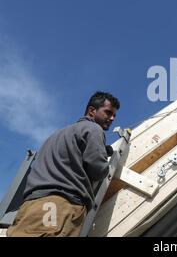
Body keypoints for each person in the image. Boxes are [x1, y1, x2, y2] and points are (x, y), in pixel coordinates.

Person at [7, 91, 120, 237]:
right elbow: (99, 171)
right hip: (59, 204)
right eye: (108, 112)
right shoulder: (93, 129)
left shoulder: (55, 136)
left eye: (114, 115)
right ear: (92, 111)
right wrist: (103, 156)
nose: (112, 118)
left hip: (29, 206)